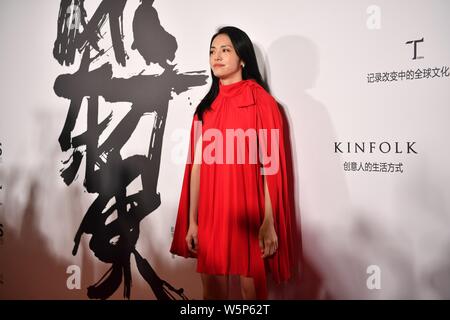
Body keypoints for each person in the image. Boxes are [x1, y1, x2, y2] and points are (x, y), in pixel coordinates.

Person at [170, 26, 297, 300]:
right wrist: (193, 221)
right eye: (212, 51)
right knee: (212, 292)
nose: (216, 56)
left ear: (242, 58)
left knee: (252, 292)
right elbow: (196, 168)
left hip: (248, 216)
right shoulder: (205, 108)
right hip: (211, 213)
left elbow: (271, 169)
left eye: (225, 50)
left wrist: (268, 220)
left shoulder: (262, 103)